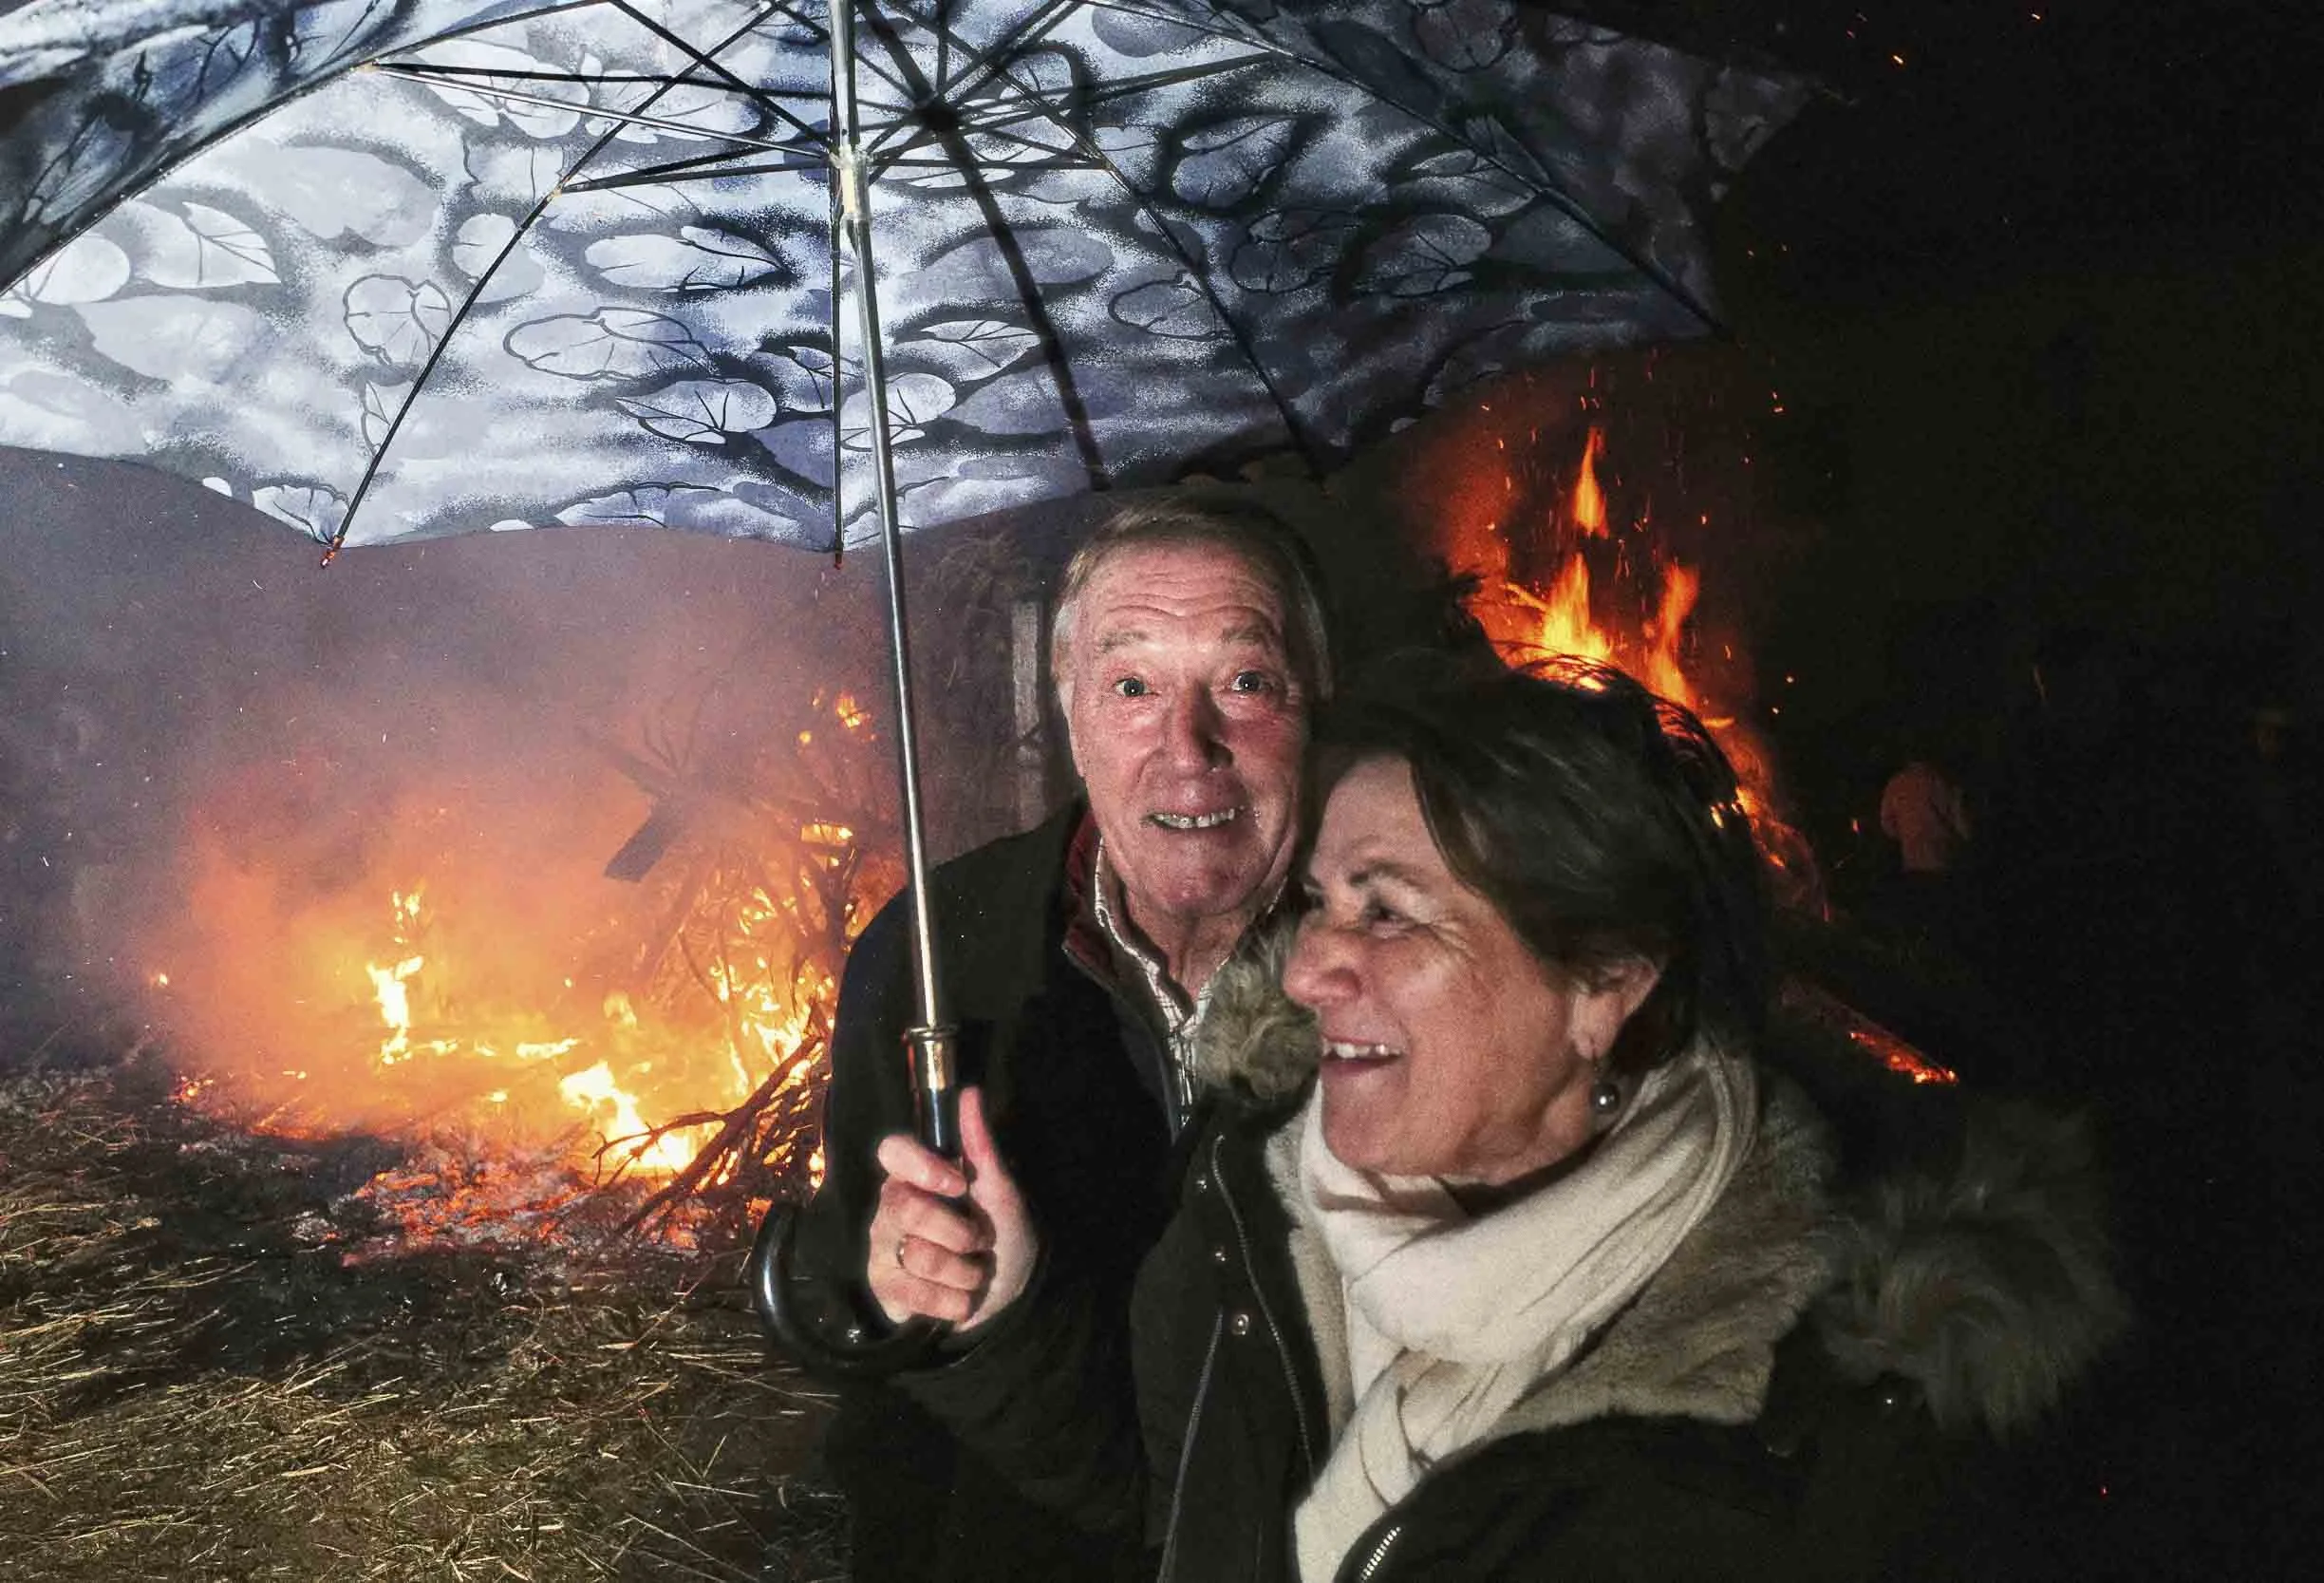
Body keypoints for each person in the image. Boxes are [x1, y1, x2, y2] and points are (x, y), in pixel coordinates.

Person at [904, 654, 2125, 1581]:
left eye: (1388, 912)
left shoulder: (1818, 1446)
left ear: (1606, 984)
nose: (1309, 967)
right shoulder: (1251, 1200)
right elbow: (1169, 1503)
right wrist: (1004, 1319)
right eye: (1320, 901)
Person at [773, 492, 1330, 1581]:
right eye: (1132, 685)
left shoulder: (1404, 962)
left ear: (1316, 699)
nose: (1189, 745)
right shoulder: (940, 951)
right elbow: (862, 1325)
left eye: (1245, 680)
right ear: (1068, 710)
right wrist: (913, 1291)